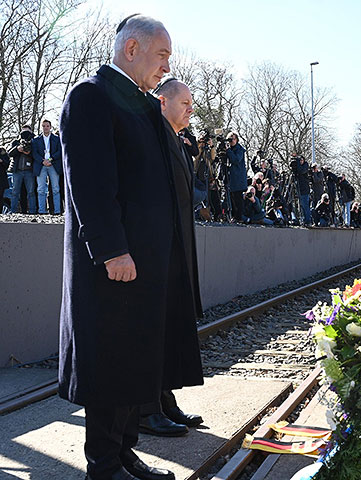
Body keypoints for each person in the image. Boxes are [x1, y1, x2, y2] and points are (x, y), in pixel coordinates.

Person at [58, 14, 202, 480]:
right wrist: (111, 250)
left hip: (145, 264)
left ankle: (124, 453)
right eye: (162, 55)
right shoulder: (91, 96)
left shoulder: (140, 106)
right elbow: (91, 185)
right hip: (114, 264)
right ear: (132, 49)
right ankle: (102, 464)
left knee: (135, 358)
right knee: (111, 361)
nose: (166, 66)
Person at [135, 78, 204, 437]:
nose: (191, 108)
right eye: (185, 102)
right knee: (152, 329)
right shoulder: (152, 135)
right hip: (156, 247)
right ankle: (146, 410)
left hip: (176, 245)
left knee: (169, 328)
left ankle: (164, 400)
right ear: (162, 102)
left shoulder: (175, 138)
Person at [32, 119, 63, 214]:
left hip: (53, 164)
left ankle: (57, 211)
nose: (46, 128)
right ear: (42, 127)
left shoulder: (57, 139)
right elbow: (34, 153)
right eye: (44, 126)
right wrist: (42, 161)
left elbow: (60, 151)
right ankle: (42, 211)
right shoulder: (36, 140)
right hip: (41, 165)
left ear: (50, 127)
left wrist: (50, 159)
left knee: (55, 189)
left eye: (47, 126)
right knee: (41, 189)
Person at [8, 125, 36, 214]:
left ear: (31, 132)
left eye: (27, 132)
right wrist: (17, 149)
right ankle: (13, 211)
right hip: (17, 171)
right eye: (23, 132)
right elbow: (9, 153)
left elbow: (36, 155)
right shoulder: (16, 142)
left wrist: (28, 152)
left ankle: (32, 212)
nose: (25, 134)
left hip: (29, 171)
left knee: (31, 192)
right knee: (15, 192)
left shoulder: (34, 142)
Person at [226, 132, 246, 223]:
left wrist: (228, 151)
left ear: (237, 140)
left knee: (238, 198)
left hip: (238, 178)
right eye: (230, 139)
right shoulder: (229, 149)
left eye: (233, 139)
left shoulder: (240, 149)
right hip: (231, 178)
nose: (231, 141)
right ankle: (233, 216)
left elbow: (236, 160)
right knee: (231, 198)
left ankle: (239, 217)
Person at [293, 153, 312, 225]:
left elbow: (301, 171)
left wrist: (297, 162)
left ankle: (308, 220)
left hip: (304, 189)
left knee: (305, 205)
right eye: (299, 160)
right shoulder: (299, 166)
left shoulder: (305, 166)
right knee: (301, 205)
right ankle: (303, 219)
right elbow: (295, 172)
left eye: (301, 160)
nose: (300, 161)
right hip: (299, 189)